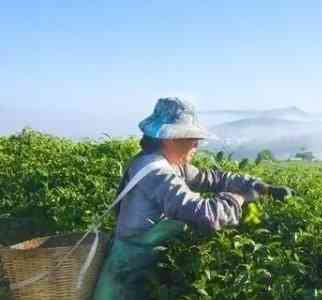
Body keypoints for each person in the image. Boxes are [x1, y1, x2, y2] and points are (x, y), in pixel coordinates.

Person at [93, 97, 293, 299]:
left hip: (146, 271)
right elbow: (204, 214)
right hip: (126, 279)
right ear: (169, 138)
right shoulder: (155, 172)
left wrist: (259, 186)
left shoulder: (171, 163)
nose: (197, 144)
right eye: (191, 137)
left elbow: (213, 178)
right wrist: (238, 199)